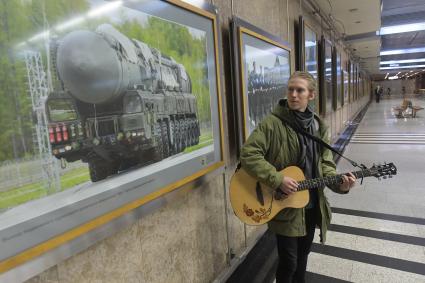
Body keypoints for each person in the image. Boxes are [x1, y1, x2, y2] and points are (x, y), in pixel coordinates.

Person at [240, 71, 356, 283]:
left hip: (312, 204)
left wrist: (342, 185)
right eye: (290, 89)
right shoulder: (272, 124)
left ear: (310, 95)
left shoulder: (319, 126)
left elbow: (326, 165)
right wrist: (277, 179)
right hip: (287, 206)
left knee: (302, 258)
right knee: (289, 262)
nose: (293, 94)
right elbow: (248, 154)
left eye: (299, 90)